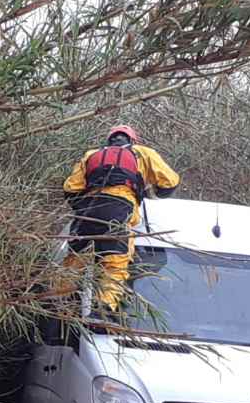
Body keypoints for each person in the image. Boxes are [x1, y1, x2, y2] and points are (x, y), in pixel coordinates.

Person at [62, 124, 180, 312]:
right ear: (132, 140)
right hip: (119, 207)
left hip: (87, 208)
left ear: (109, 140)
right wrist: (150, 192)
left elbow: (71, 189)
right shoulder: (143, 153)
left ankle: (55, 309)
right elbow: (171, 182)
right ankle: (102, 311)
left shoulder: (91, 155)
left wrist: (85, 208)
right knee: (114, 265)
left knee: (72, 264)